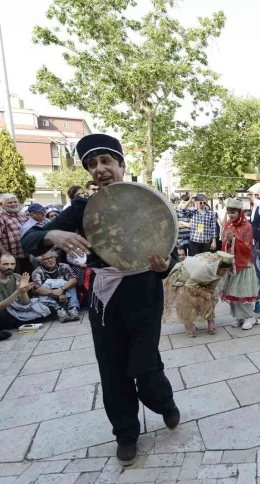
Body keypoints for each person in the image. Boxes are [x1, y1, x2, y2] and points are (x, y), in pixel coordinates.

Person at [21, 133, 179, 466]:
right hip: (103, 299)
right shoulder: (82, 208)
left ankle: (163, 401)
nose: (100, 169)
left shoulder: (145, 198)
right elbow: (30, 238)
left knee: (143, 364)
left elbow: (171, 250)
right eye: (92, 164)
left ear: (122, 165)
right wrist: (53, 233)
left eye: (106, 161)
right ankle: (125, 433)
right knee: (112, 368)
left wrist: (165, 267)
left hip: (144, 293)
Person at [164, 251, 233, 337]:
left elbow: (211, 287)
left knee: (211, 297)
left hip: (199, 280)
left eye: (227, 270)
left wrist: (209, 296)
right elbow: (189, 286)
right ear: (218, 266)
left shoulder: (217, 271)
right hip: (184, 278)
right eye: (223, 270)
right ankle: (188, 324)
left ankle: (210, 320)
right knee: (186, 300)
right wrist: (204, 294)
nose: (224, 273)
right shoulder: (202, 269)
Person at [219, 198, 260, 330]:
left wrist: (234, 240)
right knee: (232, 292)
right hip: (232, 264)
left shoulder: (247, 226)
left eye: (233, 212)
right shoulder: (228, 225)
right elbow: (224, 244)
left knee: (243, 292)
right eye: (229, 212)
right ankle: (239, 317)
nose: (230, 215)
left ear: (239, 212)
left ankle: (249, 317)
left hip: (244, 264)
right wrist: (229, 242)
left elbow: (248, 247)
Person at [32, 250, 82, 322]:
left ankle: (73, 309)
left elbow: (74, 279)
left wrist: (62, 289)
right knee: (41, 292)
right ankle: (60, 311)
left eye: (51, 257)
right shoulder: (37, 272)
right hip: (50, 297)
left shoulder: (64, 266)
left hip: (66, 294)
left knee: (71, 284)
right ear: (41, 262)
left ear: (55, 258)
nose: (50, 260)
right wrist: (55, 293)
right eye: (46, 259)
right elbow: (37, 288)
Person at [0, 254, 37, 340]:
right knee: (3, 315)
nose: (9, 267)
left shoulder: (17, 277)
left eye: (12, 264)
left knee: (40, 311)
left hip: (14, 311)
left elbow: (25, 303)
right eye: (5, 264)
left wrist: (23, 292)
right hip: (2, 312)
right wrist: (18, 292)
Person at [0, 193, 32, 274]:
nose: (13, 204)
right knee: (14, 281)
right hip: (10, 258)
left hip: (26, 255)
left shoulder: (21, 214)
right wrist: (5, 253)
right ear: (1, 204)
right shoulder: (1, 216)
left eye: (15, 202)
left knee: (27, 280)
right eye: (10, 202)